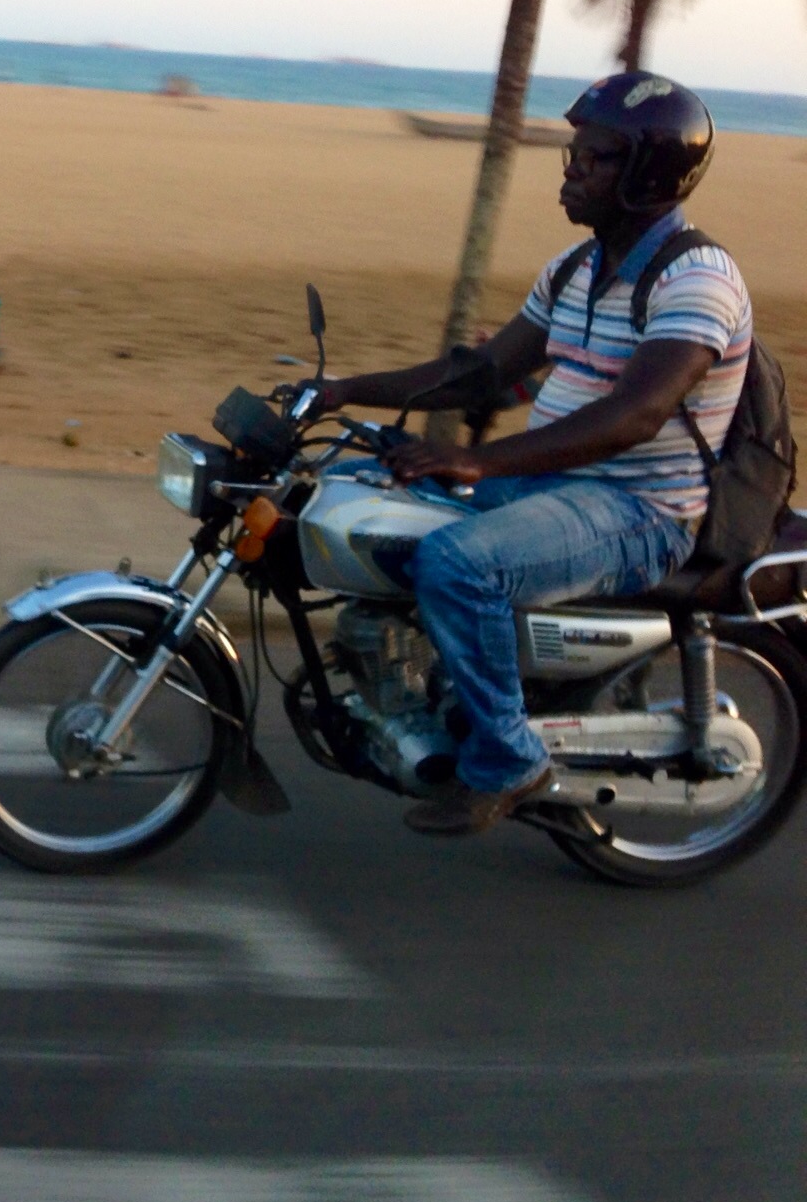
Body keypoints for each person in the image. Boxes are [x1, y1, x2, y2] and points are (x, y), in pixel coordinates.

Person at [307, 72, 747, 837]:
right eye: (573, 153)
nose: (570, 170)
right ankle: (419, 688)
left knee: (459, 564)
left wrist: (481, 462)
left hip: (637, 512)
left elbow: (636, 416)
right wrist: (345, 391)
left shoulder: (697, 278)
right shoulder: (575, 268)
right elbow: (482, 372)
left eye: (594, 157)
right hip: (552, 487)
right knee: (351, 491)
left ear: (647, 175)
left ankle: (509, 759)